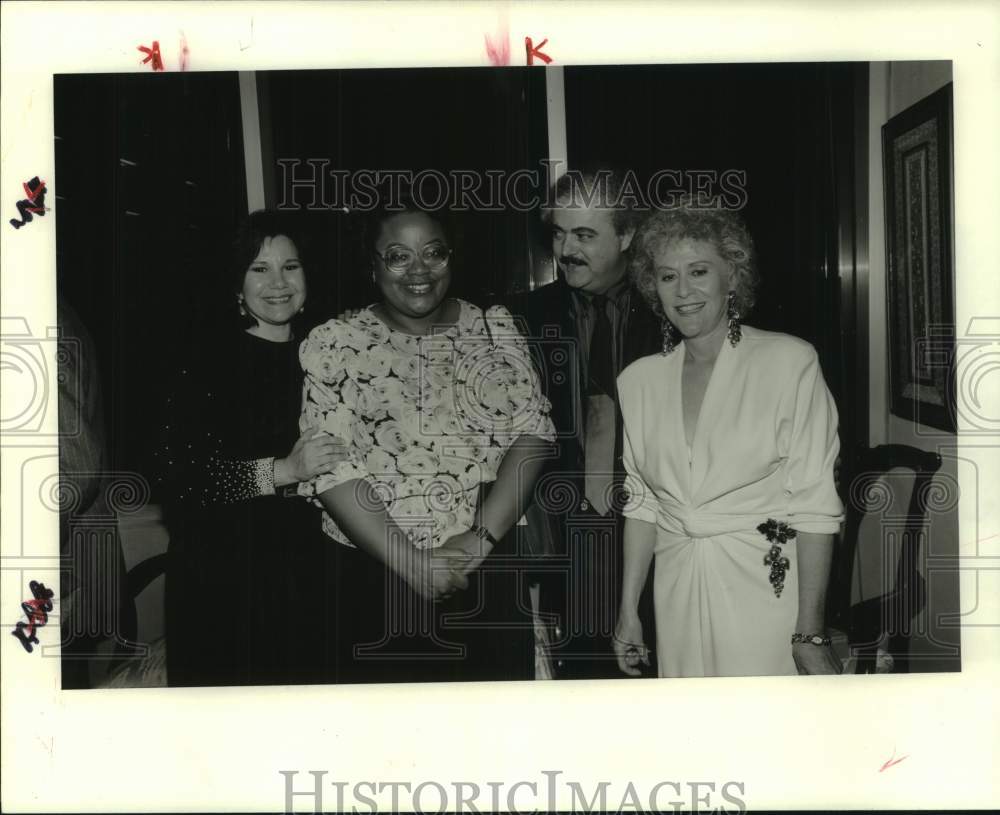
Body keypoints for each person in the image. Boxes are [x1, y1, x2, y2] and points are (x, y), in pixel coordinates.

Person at [297, 201, 556, 684]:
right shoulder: (334, 342)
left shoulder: (492, 329)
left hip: (485, 573)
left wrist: (475, 544)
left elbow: (534, 434)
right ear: (371, 265)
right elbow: (331, 469)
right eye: (398, 256)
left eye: (434, 253)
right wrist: (410, 563)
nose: (420, 270)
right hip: (374, 578)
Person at [613, 199, 844, 678]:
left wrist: (810, 632)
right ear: (651, 286)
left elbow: (816, 506)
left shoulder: (788, 363)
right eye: (666, 275)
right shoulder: (637, 381)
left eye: (699, 271)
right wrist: (628, 612)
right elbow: (641, 504)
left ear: (733, 277)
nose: (683, 291)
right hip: (675, 587)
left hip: (766, 585)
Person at [159, 210, 346, 686]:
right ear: (236, 283)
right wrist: (282, 470)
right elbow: (180, 482)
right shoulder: (204, 362)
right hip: (226, 583)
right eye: (259, 268)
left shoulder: (330, 354)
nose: (278, 282)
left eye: (292, 266)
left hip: (312, 574)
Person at [513, 168, 662, 679]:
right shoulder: (523, 319)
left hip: (660, 534)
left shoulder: (671, 311)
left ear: (626, 235)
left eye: (584, 234)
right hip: (566, 541)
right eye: (557, 233)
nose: (566, 249)